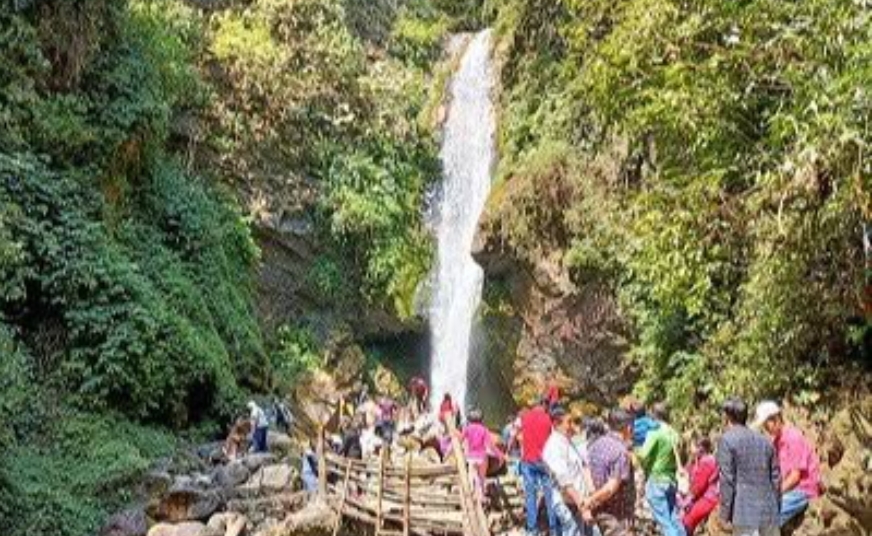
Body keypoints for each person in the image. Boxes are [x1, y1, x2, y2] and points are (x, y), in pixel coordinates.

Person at [716, 397, 780, 536]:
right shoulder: (765, 441)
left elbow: (727, 481)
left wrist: (724, 515)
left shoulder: (727, 440)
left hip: (744, 515)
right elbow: (776, 479)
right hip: (769, 513)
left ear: (727, 417)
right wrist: (776, 508)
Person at [753, 401, 822, 528]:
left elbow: (795, 477)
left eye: (767, 423)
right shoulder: (777, 442)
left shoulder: (793, 437)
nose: (766, 428)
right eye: (764, 425)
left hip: (803, 489)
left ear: (777, 418)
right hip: (790, 489)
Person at [542, 406, 597, 536]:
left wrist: (590, 492)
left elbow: (582, 466)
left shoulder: (566, 441)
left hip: (580, 501)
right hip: (568, 503)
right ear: (556, 423)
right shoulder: (554, 447)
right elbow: (565, 481)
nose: (572, 425)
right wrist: (582, 507)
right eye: (568, 422)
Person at [583, 408, 636, 536]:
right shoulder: (621, 451)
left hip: (600, 512)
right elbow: (611, 488)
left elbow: (585, 469)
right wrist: (590, 501)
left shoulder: (595, 445)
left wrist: (593, 494)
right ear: (628, 428)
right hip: (617, 516)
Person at [638, 403, 686, 536]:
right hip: (671, 480)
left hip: (657, 480)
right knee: (674, 519)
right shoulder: (674, 432)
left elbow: (643, 454)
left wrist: (634, 449)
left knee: (665, 523)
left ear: (653, 415)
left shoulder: (655, 432)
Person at [512, 397, 558, 536]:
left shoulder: (524, 417)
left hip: (528, 460)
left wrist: (511, 449)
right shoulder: (548, 419)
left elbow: (515, 434)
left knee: (530, 494)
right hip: (545, 461)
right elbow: (553, 439)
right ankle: (553, 527)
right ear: (544, 405)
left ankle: (532, 529)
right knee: (550, 494)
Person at [681, 436, 719, 535]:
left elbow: (698, 486)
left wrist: (689, 500)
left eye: (693, 446)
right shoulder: (701, 460)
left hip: (708, 498)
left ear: (701, 448)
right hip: (705, 497)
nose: (691, 449)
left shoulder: (707, 461)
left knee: (687, 521)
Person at [463, 409, 499, 502]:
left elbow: (461, 439)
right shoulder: (484, 429)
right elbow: (489, 445)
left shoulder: (467, 428)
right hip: (482, 457)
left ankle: (471, 494)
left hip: (471, 457)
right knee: (481, 477)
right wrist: (498, 454)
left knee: (472, 475)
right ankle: (481, 495)